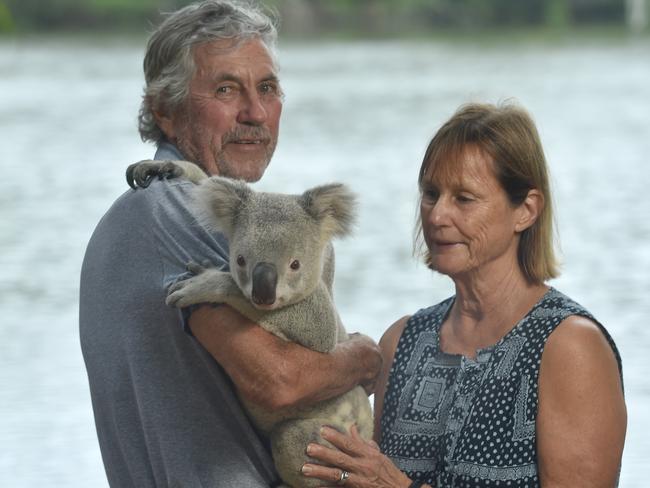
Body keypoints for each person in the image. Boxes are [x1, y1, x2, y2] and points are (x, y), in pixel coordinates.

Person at [78, 2, 381, 487]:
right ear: (164, 110)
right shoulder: (172, 210)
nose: (255, 113)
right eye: (226, 89)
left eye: (267, 89)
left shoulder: (162, 216)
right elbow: (280, 382)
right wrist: (360, 360)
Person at [301, 102, 627, 487]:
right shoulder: (401, 341)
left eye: (464, 199)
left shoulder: (570, 347)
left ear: (526, 209)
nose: (437, 216)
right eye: (430, 194)